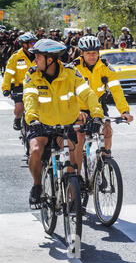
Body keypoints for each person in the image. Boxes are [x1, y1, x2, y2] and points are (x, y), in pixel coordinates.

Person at [23, 39, 104, 207]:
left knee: (72, 159)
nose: (34, 60)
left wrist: (97, 115)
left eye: (38, 57)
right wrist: (33, 118)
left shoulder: (70, 73)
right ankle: (37, 185)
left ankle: (75, 202)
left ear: (50, 59)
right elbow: (29, 98)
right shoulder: (32, 74)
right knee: (36, 150)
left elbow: (87, 93)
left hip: (65, 126)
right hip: (41, 124)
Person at [72, 36, 133, 173]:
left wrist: (125, 111)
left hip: (98, 107)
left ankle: (105, 157)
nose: (92, 56)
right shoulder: (74, 68)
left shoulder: (105, 67)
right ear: (82, 53)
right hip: (79, 108)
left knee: (107, 127)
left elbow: (117, 91)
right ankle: (77, 176)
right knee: (80, 138)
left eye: (94, 53)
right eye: (88, 53)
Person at [2, 32, 37, 130]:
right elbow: (8, 74)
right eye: (31, 43)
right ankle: (17, 119)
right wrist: (6, 89)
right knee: (19, 108)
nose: (33, 45)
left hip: (36, 85)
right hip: (20, 86)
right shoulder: (15, 57)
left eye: (34, 43)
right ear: (24, 44)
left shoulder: (39, 55)